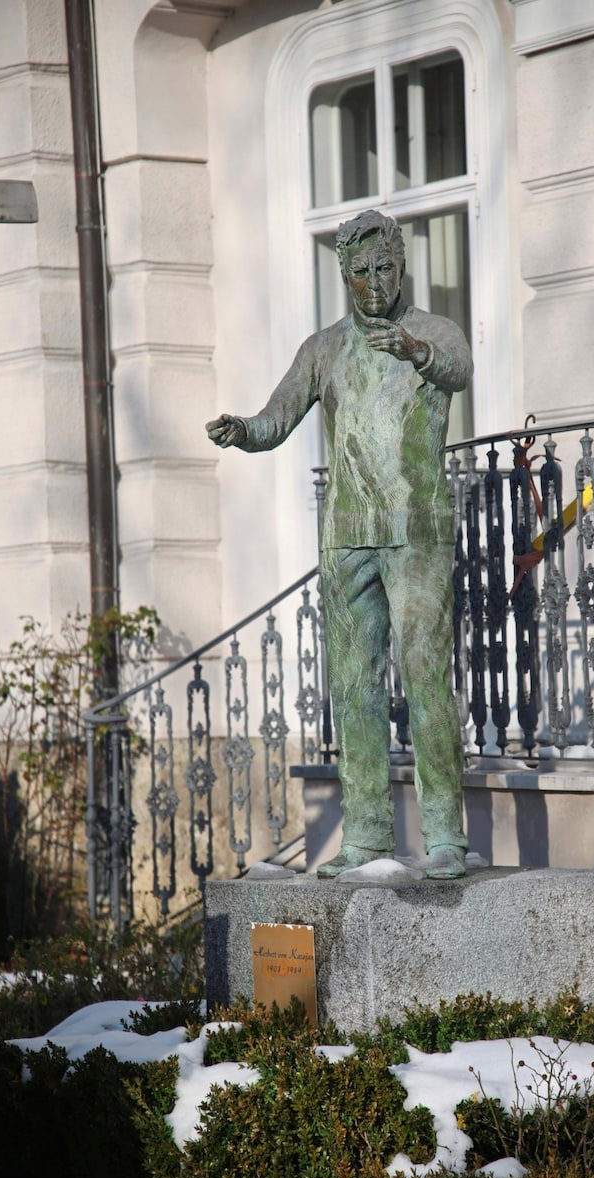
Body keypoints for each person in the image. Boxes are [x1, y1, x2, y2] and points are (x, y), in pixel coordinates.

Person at [206, 209, 471, 879]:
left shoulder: (433, 331)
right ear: (345, 277)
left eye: (384, 269)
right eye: (361, 273)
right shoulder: (323, 349)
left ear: (401, 266)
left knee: (424, 672)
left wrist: (418, 352)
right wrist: (243, 429)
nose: (375, 283)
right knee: (354, 686)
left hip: (416, 528)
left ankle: (444, 834)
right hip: (348, 536)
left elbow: (460, 369)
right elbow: (279, 415)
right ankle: (367, 836)